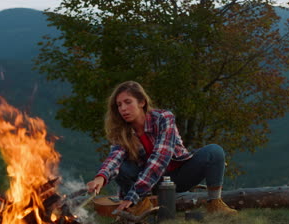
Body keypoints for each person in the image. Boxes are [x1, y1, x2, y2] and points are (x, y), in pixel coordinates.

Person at [86, 81, 237, 215]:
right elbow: (115, 157)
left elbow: (160, 158)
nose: (123, 109)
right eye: (119, 105)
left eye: (128, 102)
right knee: (121, 166)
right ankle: (141, 204)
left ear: (142, 102)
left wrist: (133, 194)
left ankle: (215, 203)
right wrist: (100, 178)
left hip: (178, 176)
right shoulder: (122, 131)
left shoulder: (163, 118)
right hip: (150, 185)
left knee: (214, 151)